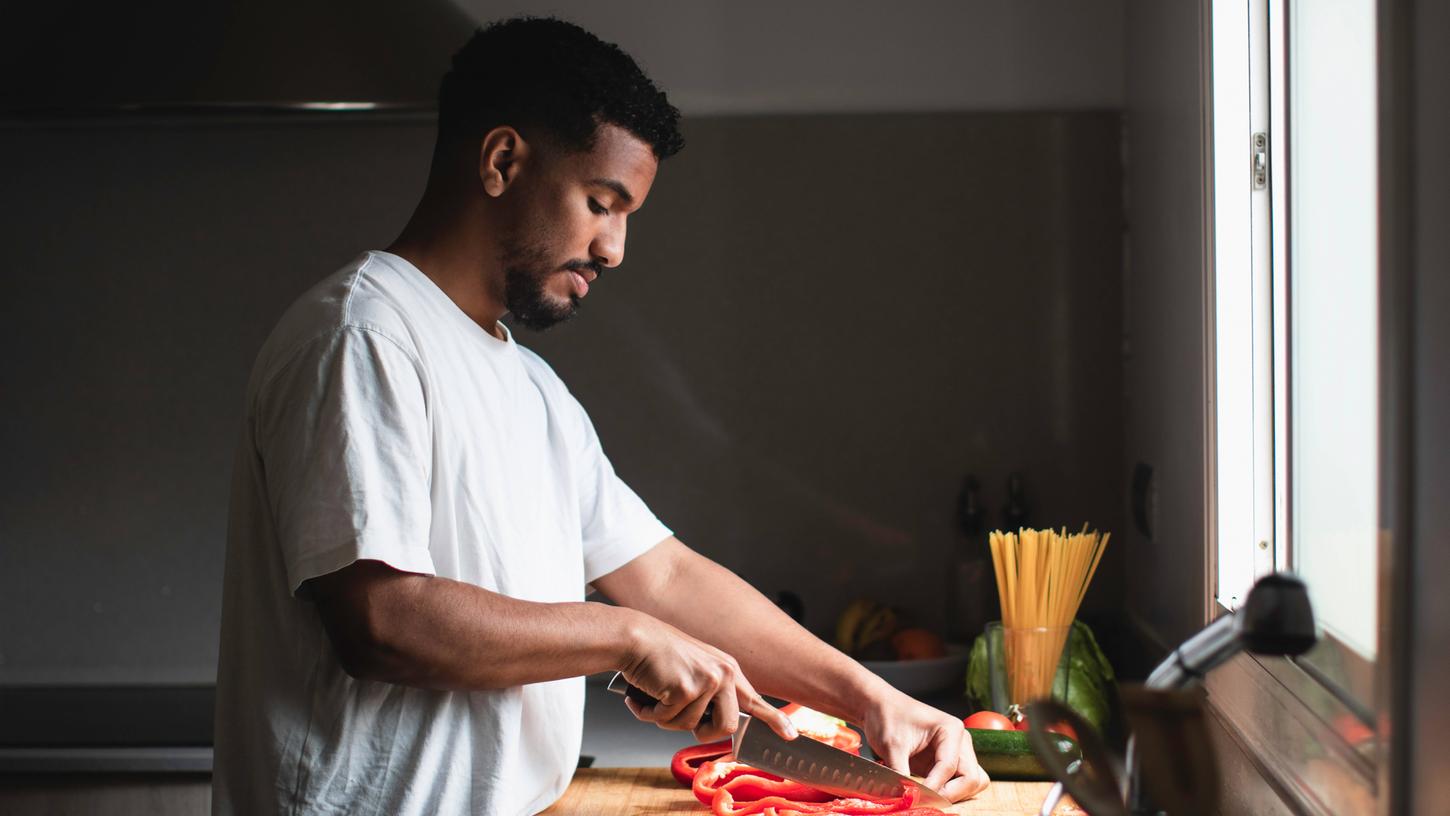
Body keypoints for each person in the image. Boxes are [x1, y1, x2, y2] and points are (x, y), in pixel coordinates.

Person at [212, 16, 989, 816]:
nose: (614, 249)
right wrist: (626, 637)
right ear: (502, 161)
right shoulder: (363, 336)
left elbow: (661, 576)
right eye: (600, 203)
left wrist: (870, 701)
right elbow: (382, 619)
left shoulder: (534, 389)